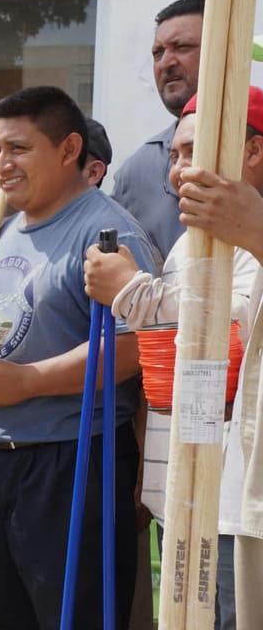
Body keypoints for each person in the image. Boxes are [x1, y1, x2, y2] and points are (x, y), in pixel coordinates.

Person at [0, 86, 159, 629]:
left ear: (69, 148)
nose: (2, 164)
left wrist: (26, 382)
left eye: (18, 148)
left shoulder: (107, 236)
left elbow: (133, 346)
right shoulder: (5, 230)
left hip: (72, 462)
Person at [91, 86, 263, 629]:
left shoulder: (253, 236)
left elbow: (240, 335)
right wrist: (151, 474)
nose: (178, 172)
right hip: (180, 483)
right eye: (174, 156)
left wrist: (136, 293)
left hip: (237, 495)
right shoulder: (191, 241)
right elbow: (167, 366)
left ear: (252, 151)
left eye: (193, 152)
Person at [112, 0, 204, 257]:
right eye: (158, 53)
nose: (166, 62)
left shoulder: (255, 143)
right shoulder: (136, 173)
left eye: (182, 47)